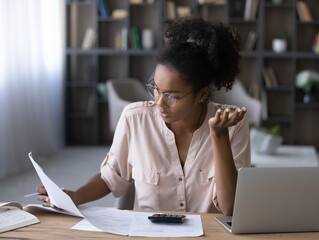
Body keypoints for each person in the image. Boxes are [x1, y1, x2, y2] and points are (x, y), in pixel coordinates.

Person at [37, 17, 251, 216]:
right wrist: (75, 196)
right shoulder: (135, 119)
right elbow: (110, 178)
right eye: (156, 89)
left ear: (202, 94)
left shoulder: (231, 125)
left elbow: (229, 208)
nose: (159, 102)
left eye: (172, 96)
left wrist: (219, 136)